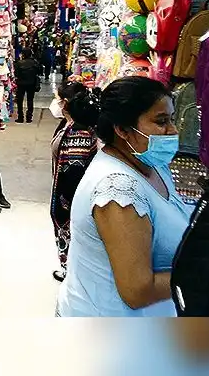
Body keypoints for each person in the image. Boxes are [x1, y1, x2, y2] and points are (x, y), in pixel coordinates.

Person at [57, 77, 194, 316]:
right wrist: (205, 273)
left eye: (171, 119)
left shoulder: (152, 164)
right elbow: (138, 291)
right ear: (122, 130)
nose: (172, 131)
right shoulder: (117, 191)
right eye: (161, 121)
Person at [49, 82, 99, 282]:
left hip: (69, 198)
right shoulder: (70, 125)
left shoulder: (79, 132)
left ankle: (70, 272)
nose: (56, 104)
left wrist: (66, 201)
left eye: (58, 99)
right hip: (65, 194)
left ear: (66, 103)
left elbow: (73, 172)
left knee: (71, 234)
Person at [13, 50, 42, 123]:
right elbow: (39, 71)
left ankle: (20, 117)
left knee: (20, 101)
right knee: (30, 100)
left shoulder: (19, 63)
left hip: (21, 83)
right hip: (31, 83)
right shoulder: (34, 63)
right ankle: (29, 117)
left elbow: (16, 73)